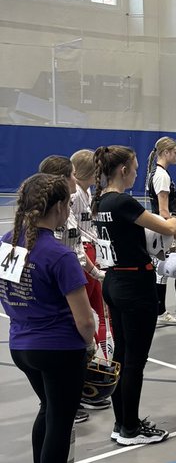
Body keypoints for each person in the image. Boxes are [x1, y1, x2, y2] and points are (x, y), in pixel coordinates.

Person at [1, 174, 96, 463]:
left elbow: (9, 294)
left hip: (21, 346)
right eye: (67, 205)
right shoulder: (60, 256)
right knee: (60, 419)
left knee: (48, 409)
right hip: (58, 349)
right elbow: (84, 320)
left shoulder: (8, 243)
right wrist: (90, 344)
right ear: (57, 207)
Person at [94, 145, 176, 446]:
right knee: (134, 361)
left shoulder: (101, 201)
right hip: (133, 285)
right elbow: (165, 223)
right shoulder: (122, 202)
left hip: (115, 280)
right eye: (134, 166)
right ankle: (129, 427)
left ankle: (123, 422)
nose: (137, 172)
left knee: (122, 356)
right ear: (123, 170)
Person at [39, 155, 105, 420]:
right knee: (72, 342)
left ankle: (77, 394)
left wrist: (96, 272)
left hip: (76, 272)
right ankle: (69, 400)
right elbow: (59, 254)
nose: (74, 180)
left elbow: (76, 247)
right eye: (70, 176)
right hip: (58, 294)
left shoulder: (66, 212)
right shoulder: (51, 223)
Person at [145, 135, 176, 326]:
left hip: (165, 227)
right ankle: (160, 311)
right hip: (164, 229)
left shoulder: (158, 173)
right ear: (165, 152)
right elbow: (163, 210)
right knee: (164, 270)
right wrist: (170, 234)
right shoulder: (161, 176)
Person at [71, 148, 109, 360]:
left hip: (91, 252)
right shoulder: (75, 194)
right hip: (83, 254)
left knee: (102, 311)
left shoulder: (84, 192)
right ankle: (93, 357)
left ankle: (104, 358)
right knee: (89, 312)